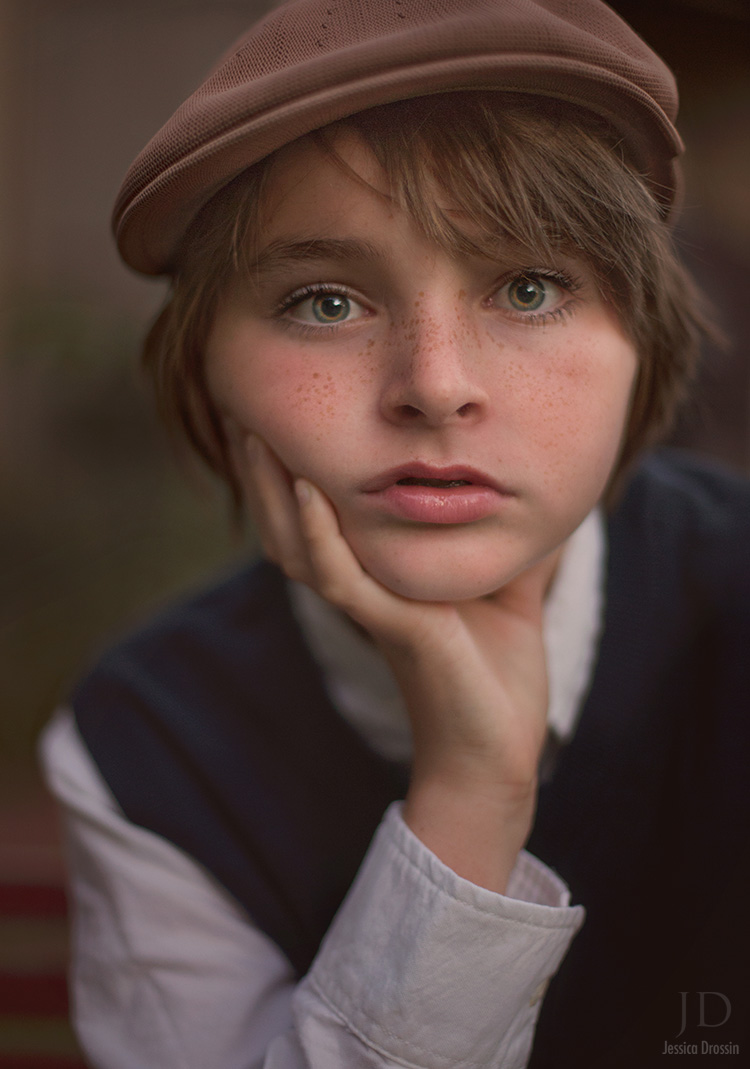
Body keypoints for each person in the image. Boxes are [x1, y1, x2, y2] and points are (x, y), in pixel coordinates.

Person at [41, 0, 750, 1066]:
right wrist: (473, 788)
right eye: (326, 302)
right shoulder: (148, 744)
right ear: (209, 374)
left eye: (530, 286)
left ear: (642, 346)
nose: (436, 386)